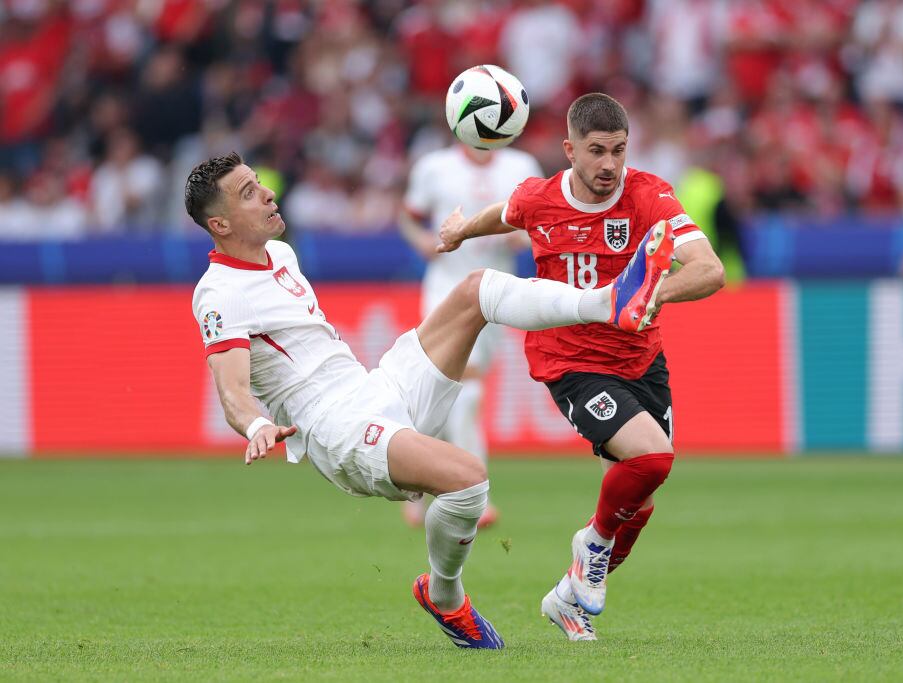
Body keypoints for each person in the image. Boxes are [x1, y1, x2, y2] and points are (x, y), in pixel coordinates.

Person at [186, 152, 674, 649]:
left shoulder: (282, 254)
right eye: (248, 192)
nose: (267, 192)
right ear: (219, 223)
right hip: (337, 428)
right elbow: (232, 392)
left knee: (476, 290)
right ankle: (444, 596)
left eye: (259, 182)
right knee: (468, 479)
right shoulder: (220, 293)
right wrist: (255, 426)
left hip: (373, 387)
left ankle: (608, 302)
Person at [437, 93, 725, 641]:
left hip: (640, 360)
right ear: (570, 149)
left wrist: (652, 296)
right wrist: (458, 232)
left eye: (618, 150)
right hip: (569, 361)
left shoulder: (649, 196)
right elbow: (503, 216)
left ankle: (568, 597)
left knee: (637, 508)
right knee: (652, 458)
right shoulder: (539, 198)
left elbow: (709, 270)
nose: (609, 165)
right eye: (596, 151)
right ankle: (589, 546)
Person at [398, 142, 543, 529]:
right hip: (444, 284)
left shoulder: (522, 164)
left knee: (445, 395)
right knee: (462, 386)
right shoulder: (434, 165)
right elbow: (409, 217)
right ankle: (474, 494)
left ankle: (416, 487)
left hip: (495, 288)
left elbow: (543, 222)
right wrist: (422, 241)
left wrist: (523, 238)